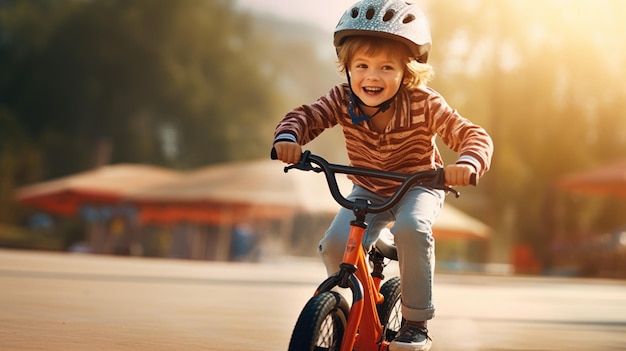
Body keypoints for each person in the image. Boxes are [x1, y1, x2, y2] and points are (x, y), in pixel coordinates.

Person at [272, 0, 493, 350]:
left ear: (407, 72)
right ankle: (361, 302)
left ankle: (416, 320)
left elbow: (472, 135)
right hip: (368, 187)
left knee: (412, 228)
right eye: (361, 65)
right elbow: (307, 116)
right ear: (347, 68)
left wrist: (467, 164)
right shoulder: (341, 99)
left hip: (418, 186)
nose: (372, 76)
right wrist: (288, 137)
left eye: (386, 67)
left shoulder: (424, 103)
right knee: (333, 245)